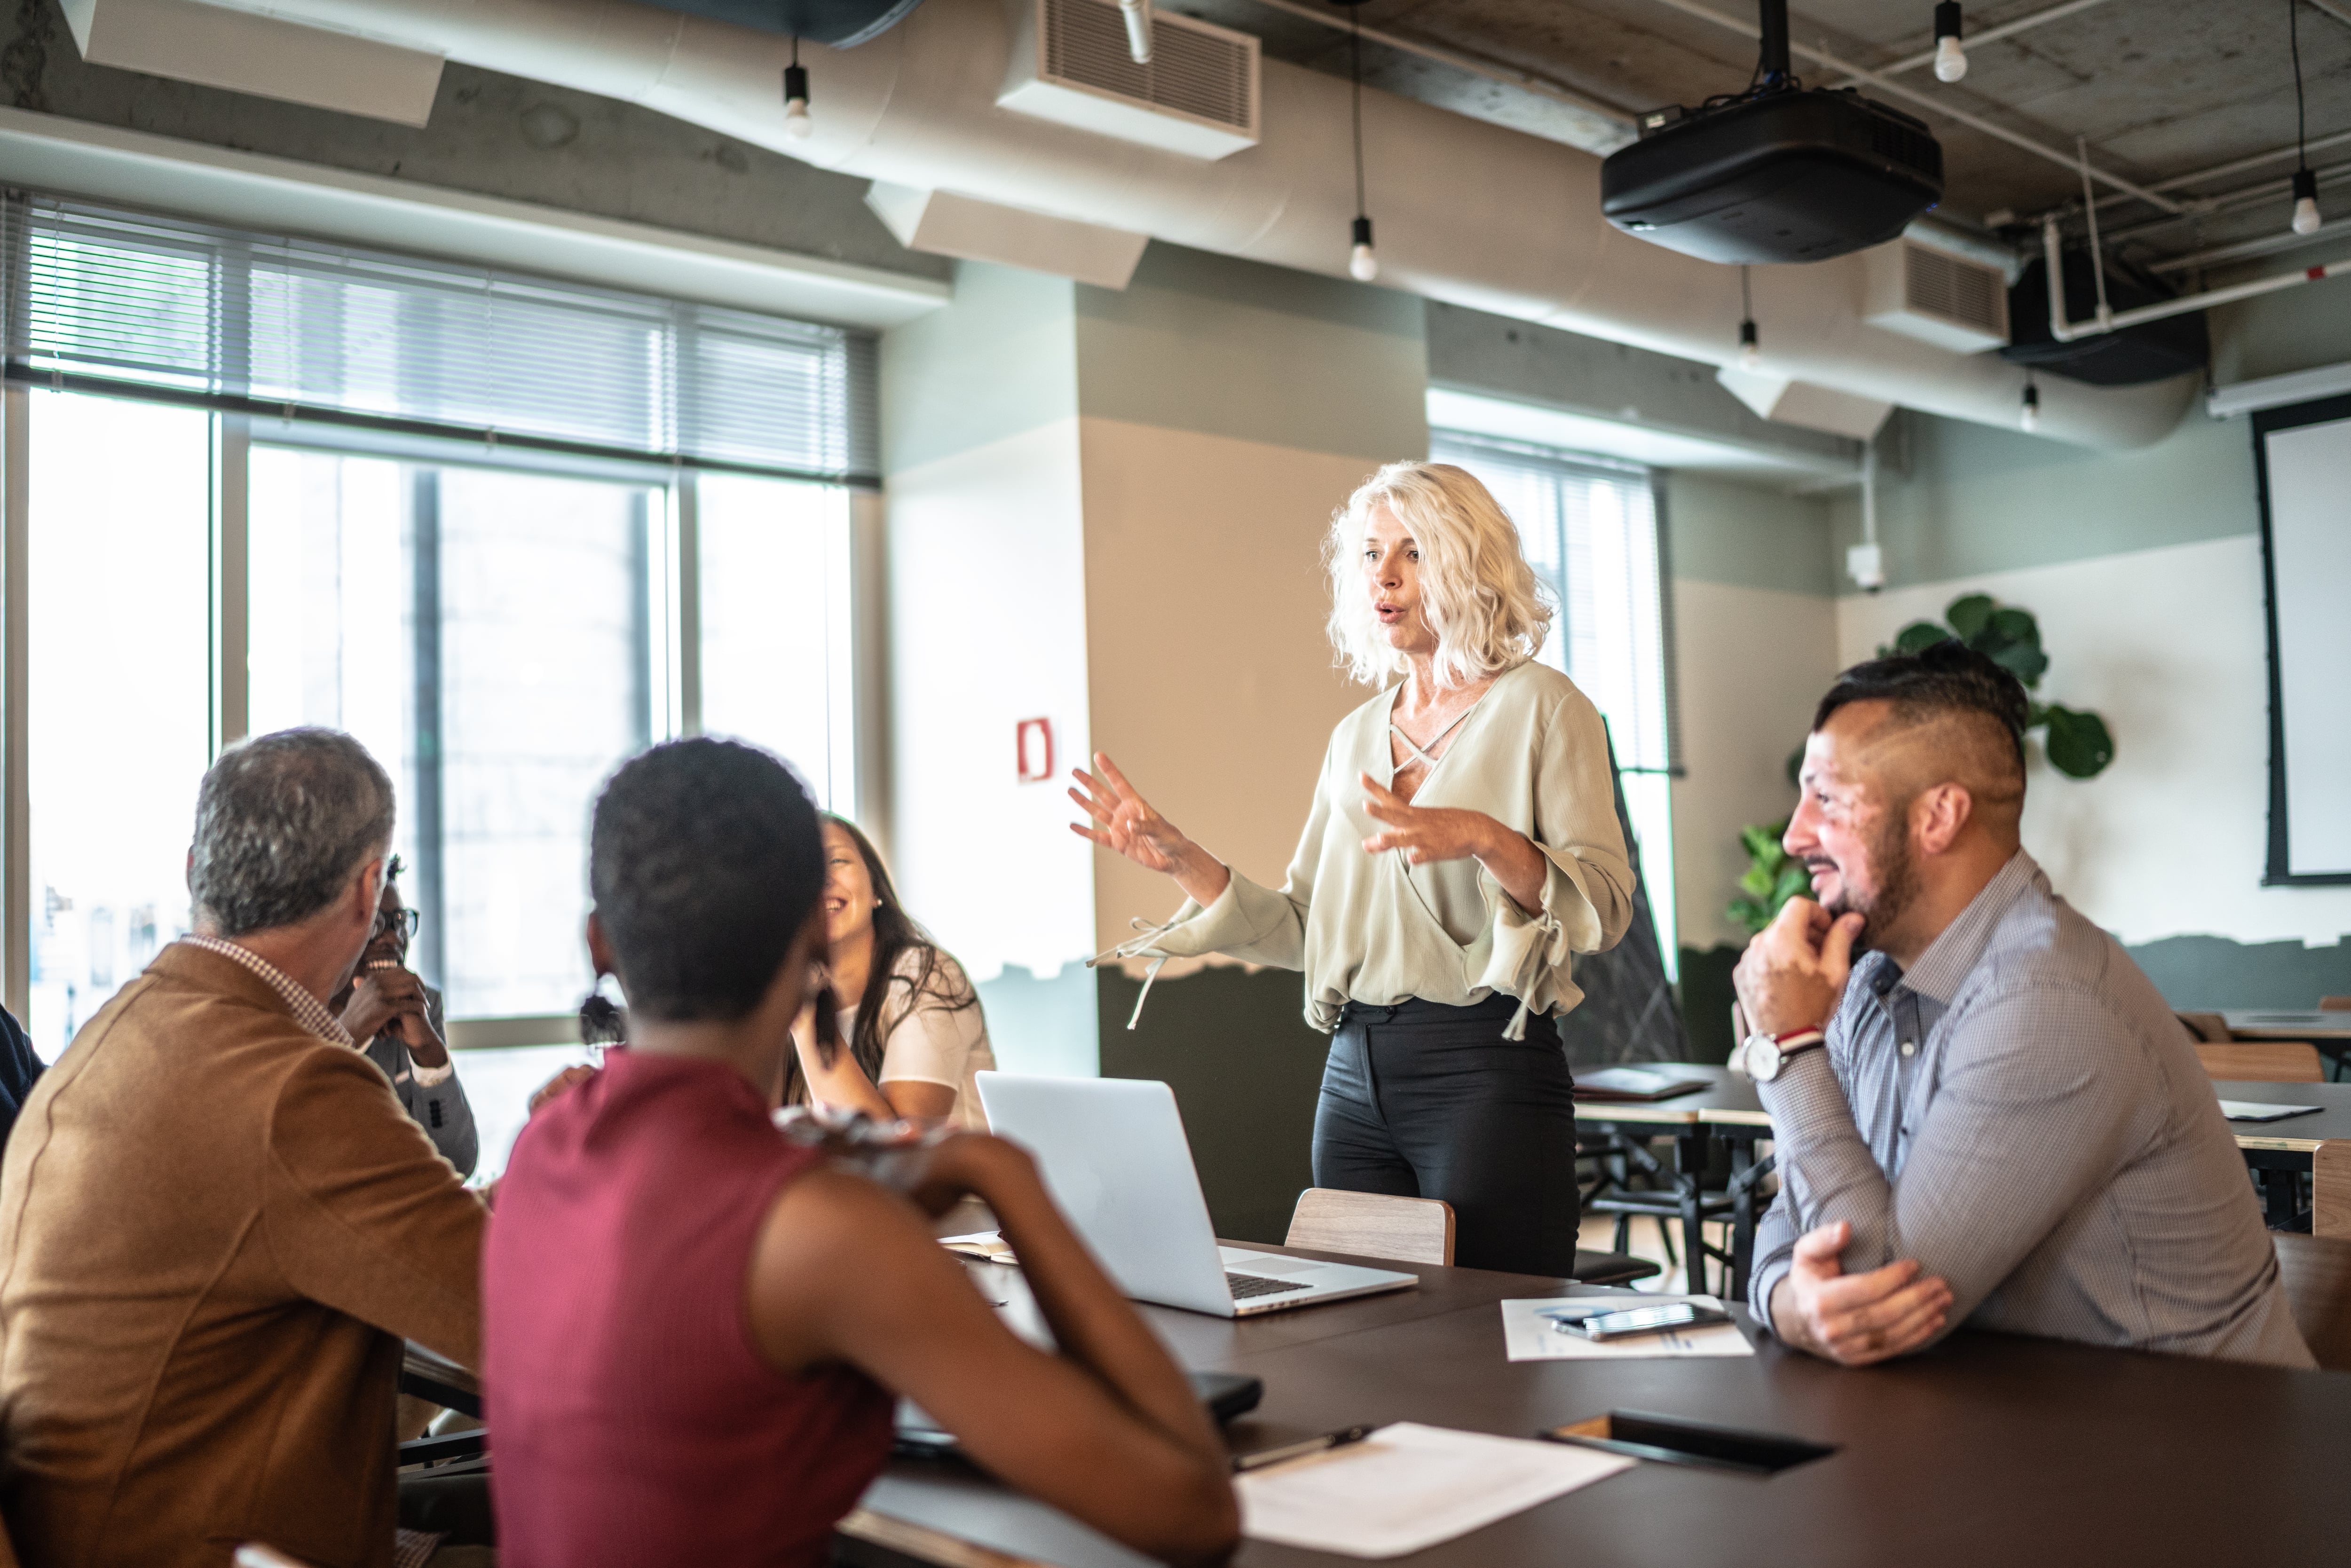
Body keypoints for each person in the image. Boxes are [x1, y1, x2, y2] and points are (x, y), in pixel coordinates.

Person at [483, 739, 1237, 1568]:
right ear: (814, 927)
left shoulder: (540, 1146)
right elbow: (1195, 1512)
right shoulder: (822, 1233)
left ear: (601, 944)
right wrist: (1000, 1175)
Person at [1073, 460, 1635, 1276]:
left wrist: (1483, 835)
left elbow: (1604, 906)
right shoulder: (1354, 737)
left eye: (1413, 552)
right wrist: (1183, 860)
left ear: (1470, 563)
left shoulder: (1546, 708)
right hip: (1353, 1075)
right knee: (1362, 1327)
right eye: (1372, 554)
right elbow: (1307, 927)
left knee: (1486, 1341)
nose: (1387, 577)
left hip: (1484, 1069)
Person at [1734, 642, 2312, 1369]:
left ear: (1939, 815)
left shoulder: (2048, 1001)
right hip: (2013, 1426)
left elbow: (1879, 1290)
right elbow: (1798, 1223)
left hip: (2190, 1453)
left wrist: (1786, 1045)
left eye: (1827, 796)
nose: (1795, 834)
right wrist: (1791, 1304)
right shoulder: (1868, 983)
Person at [0, 728, 487, 1568]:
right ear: (369, 891)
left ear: (195, 868)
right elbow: (524, 1316)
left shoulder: (120, 1034)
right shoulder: (290, 1088)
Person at [785, 814, 996, 1131]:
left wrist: (805, 1011)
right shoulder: (771, 998)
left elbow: (898, 1151)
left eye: (837, 859)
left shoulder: (927, 975)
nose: (822, 879)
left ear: (875, 890)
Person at [332, 858, 478, 1177]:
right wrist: (347, 1035)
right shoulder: (294, 1012)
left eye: (400, 921)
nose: (394, 938)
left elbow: (457, 1164)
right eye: (376, 923)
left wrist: (430, 1054)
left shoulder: (421, 1005)